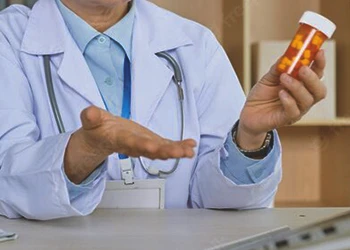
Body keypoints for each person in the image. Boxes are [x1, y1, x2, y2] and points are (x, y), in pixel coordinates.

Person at [0, 0, 326, 220]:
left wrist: (250, 138)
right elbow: (7, 180)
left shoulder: (194, 43)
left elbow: (222, 205)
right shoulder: (9, 38)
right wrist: (85, 150)